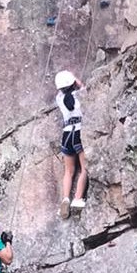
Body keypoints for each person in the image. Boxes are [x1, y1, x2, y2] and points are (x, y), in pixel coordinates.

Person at [54, 70, 88, 219]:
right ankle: (78, 199)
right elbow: (86, 91)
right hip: (79, 132)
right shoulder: (80, 96)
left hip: (67, 134)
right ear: (73, 83)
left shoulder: (59, 98)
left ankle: (65, 198)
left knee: (69, 171)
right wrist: (77, 81)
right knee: (84, 168)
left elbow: (66, 92)